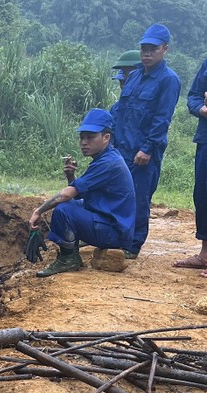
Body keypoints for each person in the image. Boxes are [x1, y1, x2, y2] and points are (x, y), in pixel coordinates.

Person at [30, 109, 136, 277]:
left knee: (64, 209)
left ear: (106, 138)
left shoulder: (108, 163)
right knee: (70, 205)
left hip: (114, 233)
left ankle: (68, 258)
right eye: (82, 137)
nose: (84, 142)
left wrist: (38, 211)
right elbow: (79, 193)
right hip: (113, 225)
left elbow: (67, 195)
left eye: (90, 137)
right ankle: (73, 247)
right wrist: (71, 176)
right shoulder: (107, 159)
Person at [111, 23, 181, 259]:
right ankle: (115, 238)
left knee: (139, 198)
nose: (146, 53)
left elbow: (162, 119)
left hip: (144, 151)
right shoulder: (134, 76)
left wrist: (147, 148)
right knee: (118, 194)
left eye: (152, 49)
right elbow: (122, 110)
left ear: (165, 50)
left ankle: (132, 245)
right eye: (143, 49)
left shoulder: (168, 80)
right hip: (122, 147)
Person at [172, 58, 207, 273]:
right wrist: (203, 109)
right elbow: (194, 97)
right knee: (202, 195)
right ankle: (204, 254)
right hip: (206, 139)